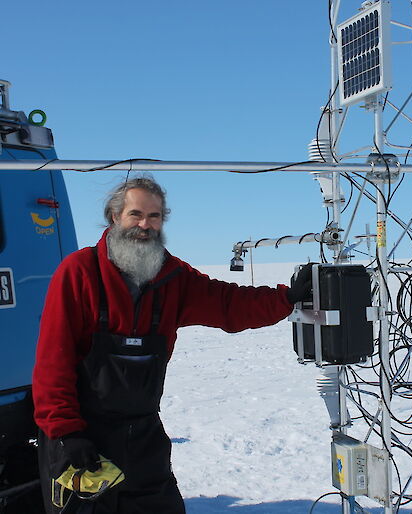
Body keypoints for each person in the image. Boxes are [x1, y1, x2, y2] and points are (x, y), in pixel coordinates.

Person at [32, 177, 312, 514]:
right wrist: (67, 433)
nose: (144, 225)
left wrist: (286, 297)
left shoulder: (172, 276)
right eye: (135, 214)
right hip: (82, 440)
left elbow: (229, 304)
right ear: (114, 216)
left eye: (155, 216)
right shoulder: (79, 272)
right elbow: (53, 362)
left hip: (143, 437)